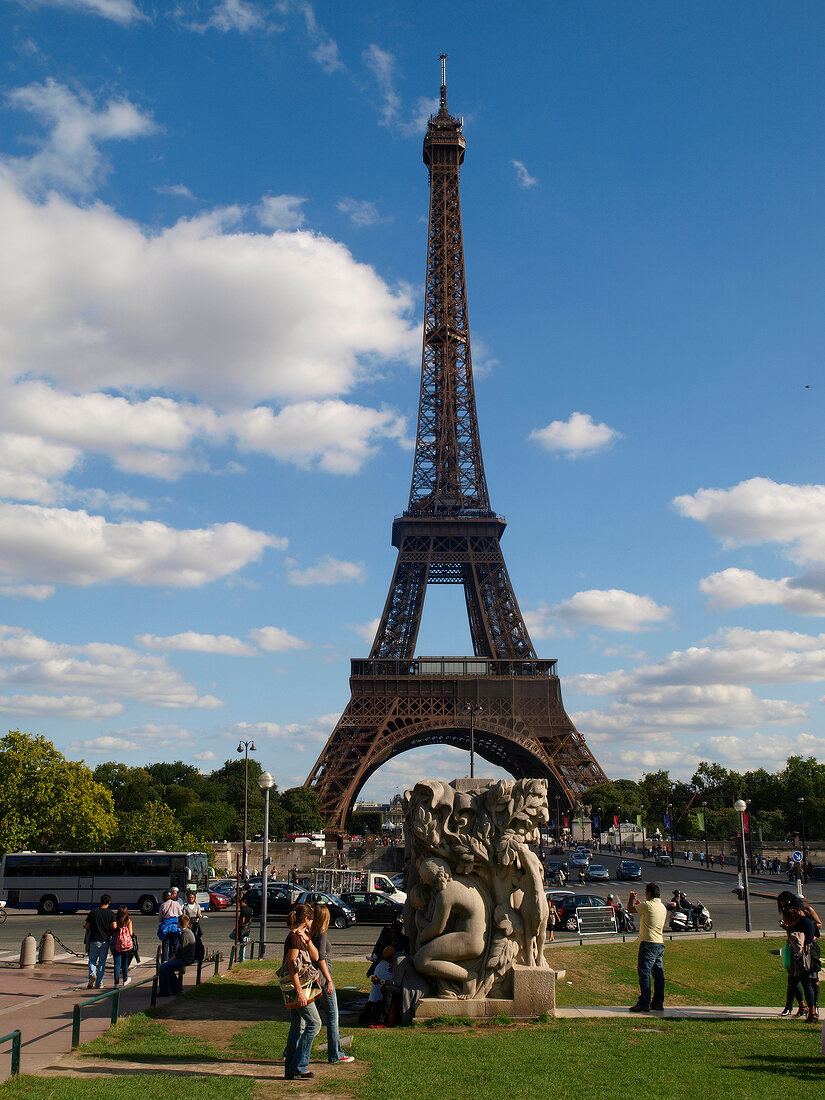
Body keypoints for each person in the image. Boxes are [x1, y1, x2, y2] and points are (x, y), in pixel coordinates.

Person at [310, 904, 355, 1065]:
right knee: (332, 1015)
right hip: (323, 978)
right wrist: (329, 980)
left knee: (305, 1019)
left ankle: (291, 1051)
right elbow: (321, 958)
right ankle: (335, 1053)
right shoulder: (321, 934)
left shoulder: (313, 933)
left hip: (316, 979)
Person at [281, 904, 322, 1080]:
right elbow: (292, 966)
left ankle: (291, 1069)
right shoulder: (293, 938)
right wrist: (299, 991)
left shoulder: (302, 936)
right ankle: (299, 1065)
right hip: (299, 987)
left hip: (303, 986)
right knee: (315, 1023)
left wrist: (307, 939)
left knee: (297, 1028)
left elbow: (316, 956)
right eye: (311, 919)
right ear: (306, 919)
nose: (313, 922)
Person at [627, 883, 666, 1013]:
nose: (645, 894)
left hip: (648, 943)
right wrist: (641, 905)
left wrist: (631, 897)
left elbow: (630, 909)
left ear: (649, 893)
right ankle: (658, 1002)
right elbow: (646, 913)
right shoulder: (662, 907)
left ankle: (644, 1002)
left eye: (645, 892)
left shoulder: (648, 905)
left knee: (644, 972)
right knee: (658, 974)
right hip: (659, 943)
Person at [781, 898, 818, 1022]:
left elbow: (810, 937)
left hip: (805, 954)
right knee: (793, 980)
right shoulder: (800, 921)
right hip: (799, 954)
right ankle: (804, 1007)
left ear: (797, 909)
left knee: (807, 983)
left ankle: (812, 1012)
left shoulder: (806, 921)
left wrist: (796, 939)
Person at [158, 913, 197, 996]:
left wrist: (170, 959)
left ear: (179, 923)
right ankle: (175, 988)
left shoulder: (186, 934)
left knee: (163, 967)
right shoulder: (187, 932)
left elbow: (181, 951)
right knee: (168, 968)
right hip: (186, 957)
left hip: (185, 959)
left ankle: (165, 990)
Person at [84, 894, 113, 989]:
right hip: (105, 940)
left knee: (92, 960)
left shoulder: (93, 912)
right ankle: (99, 983)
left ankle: (92, 974)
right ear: (109, 902)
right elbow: (115, 926)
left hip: (93, 939)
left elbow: (87, 926)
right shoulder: (110, 913)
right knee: (101, 962)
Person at [368, 946, 395, 1026]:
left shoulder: (398, 964)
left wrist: (381, 982)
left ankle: (382, 1019)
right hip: (391, 984)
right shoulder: (392, 964)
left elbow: (396, 982)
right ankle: (376, 1015)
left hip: (401, 987)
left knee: (387, 990)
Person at [110, 904, 134, 988]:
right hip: (126, 945)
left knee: (117, 964)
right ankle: (125, 979)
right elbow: (131, 933)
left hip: (116, 944)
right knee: (125, 963)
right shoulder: (128, 920)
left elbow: (112, 929)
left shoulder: (116, 920)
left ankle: (116, 983)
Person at [157, 889, 183, 962]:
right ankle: (176, 959)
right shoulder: (177, 904)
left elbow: (160, 918)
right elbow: (181, 915)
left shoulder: (162, 905)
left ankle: (165, 960)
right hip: (175, 927)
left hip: (166, 927)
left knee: (165, 945)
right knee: (176, 944)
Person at [182, 888, 206, 962]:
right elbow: (184, 916)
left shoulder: (197, 906)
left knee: (196, 940)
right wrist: (187, 924)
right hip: (189, 925)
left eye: (192, 897)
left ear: (194, 898)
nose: (190, 899)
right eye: (189, 898)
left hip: (195, 924)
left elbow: (199, 914)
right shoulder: (185, 906)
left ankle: (198, 956)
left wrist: (199, 916)